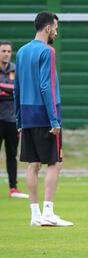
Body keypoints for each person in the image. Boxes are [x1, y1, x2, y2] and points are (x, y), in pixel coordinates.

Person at [14, 11, 73, 226]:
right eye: (55, 27)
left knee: (32, 164)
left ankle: (35, 215)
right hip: (45, 116)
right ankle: (48, 211)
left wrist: (19, 120)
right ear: (48, 28)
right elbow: (46, 86)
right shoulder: (48, 51)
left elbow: (16, 89)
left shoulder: (21, 52)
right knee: (55, 163)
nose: (56, 31)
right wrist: (54, 120)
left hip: (27, 116)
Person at [0, 40, 28, 198]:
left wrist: (5, 90)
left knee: (12, 155)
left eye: (9, 51)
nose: (6, 54)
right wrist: (10, 91)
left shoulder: (16, 70)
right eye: (3, 51)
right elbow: (13, 91)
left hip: (12, 120)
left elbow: (20, 90)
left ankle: (13, 188)